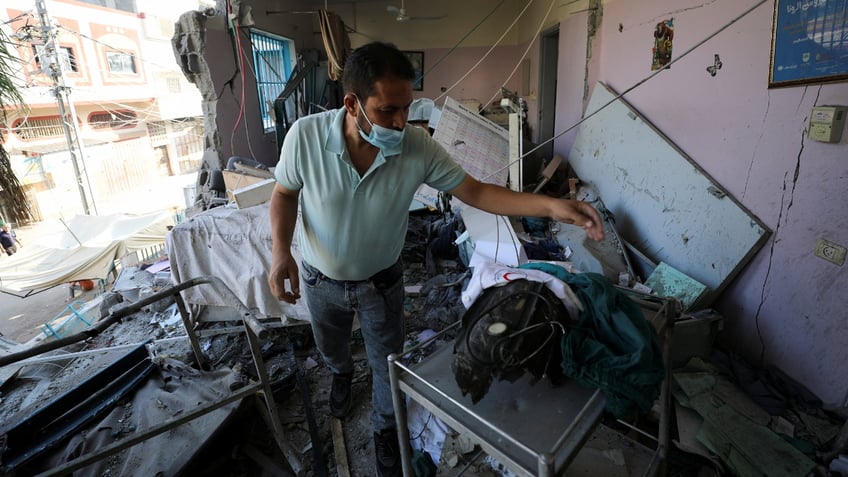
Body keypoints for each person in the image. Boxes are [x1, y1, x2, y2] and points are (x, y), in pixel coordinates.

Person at [267, 41, 604, 477]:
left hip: (380, 285)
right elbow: (283, 194)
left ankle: (386, 428)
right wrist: (280, 252)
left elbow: (478, 192)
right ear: (352, 104)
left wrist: (551, 207)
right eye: (388, 110)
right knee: (331, 346)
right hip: (319, 280)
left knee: (388, 362)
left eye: (407, 107)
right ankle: (340, 374)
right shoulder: (306, 138)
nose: (401, 121)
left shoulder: (416, 148)